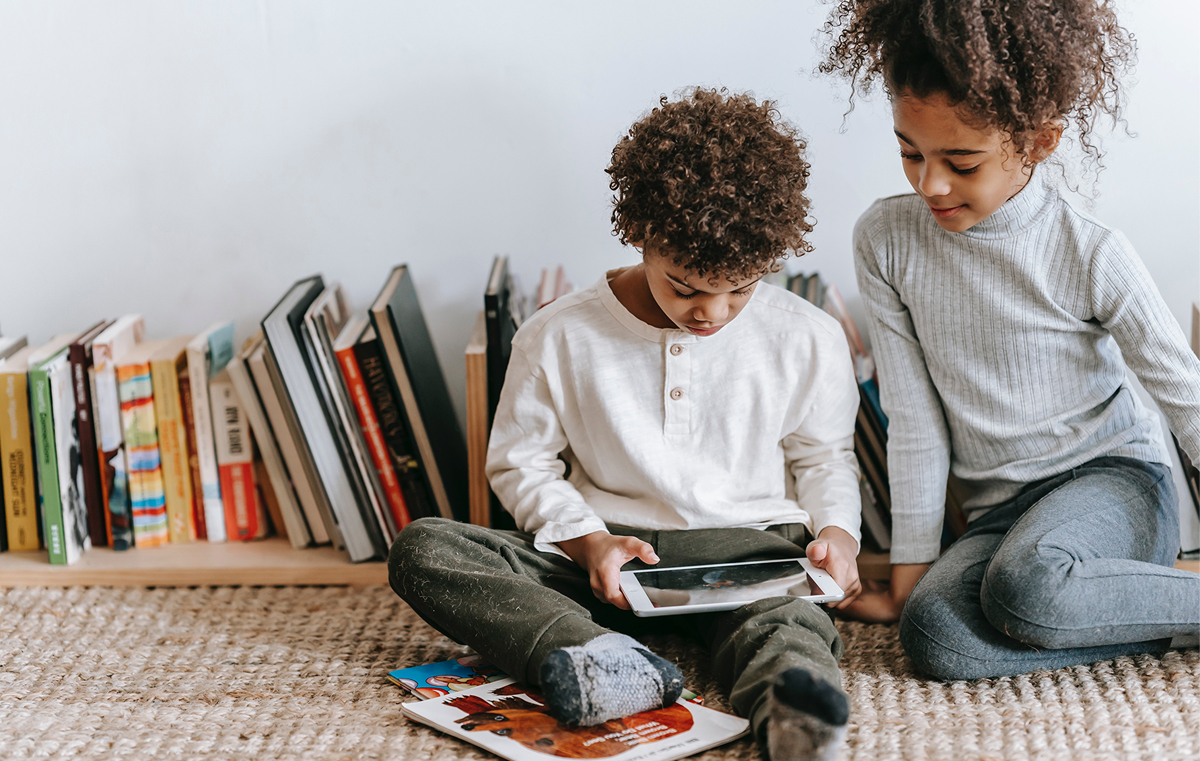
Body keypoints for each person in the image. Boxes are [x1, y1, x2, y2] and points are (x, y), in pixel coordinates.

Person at [391, 87, 864, 761]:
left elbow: (824, 458)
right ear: (642, 236)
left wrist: (839, 536)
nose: (715, 312)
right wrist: (587, 540)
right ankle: (597, 656)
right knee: (425, 547)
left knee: (787, 625)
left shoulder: (807, 336)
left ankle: (795, 715)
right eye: (687, 286)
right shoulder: (557, 334)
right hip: (607, 561)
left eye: (741, 286)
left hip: (749, 553)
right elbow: (521, 462)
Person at [819, 0, 1200, 679]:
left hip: (1116, 483)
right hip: (1001, 517)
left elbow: (1185, 395)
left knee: (1026, 588)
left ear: (1039, 140)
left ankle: (1106, 594)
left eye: (961, 162)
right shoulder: (885, 241)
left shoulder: (1089, 250)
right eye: (910, 152)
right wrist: (911, 574)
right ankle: (1148, 613)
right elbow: (914, 419)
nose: (930, 182)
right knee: (933, 633)